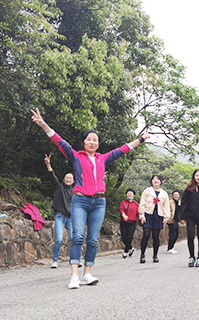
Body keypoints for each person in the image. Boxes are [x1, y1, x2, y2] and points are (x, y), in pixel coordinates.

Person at [31, 108, 149, 289]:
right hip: (79, 200)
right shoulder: (76, 156)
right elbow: (59, 141)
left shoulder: (103, 159)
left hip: (99, 202)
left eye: (95, 140)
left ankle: (87, 273)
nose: (92, 142)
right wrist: (43, 124)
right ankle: (74, 276)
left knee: (93, 239)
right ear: (83, 142)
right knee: (78, 237)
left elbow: (122, 149)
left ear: (98, 143)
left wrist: (140, 139)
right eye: (89, 139)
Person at [44, 154, 75, 269]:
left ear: (73, 181)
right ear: (63, 179)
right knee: (59, 239)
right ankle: (55, 260)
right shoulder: (59, 188)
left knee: (73, 239)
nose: (68, 179)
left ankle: (74, 259)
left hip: (71, 218)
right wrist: (48, 164)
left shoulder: (75, 192)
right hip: (60, 216)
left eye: (70, 178)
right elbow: (52, 176)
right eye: (66, 178)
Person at [138, 175, 171, 263]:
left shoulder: (164, 193)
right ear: (151, 181)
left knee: (156, 236)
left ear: (160, 181)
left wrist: (166, 217)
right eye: (153, 179)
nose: (155, 181)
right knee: (146, 234)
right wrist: (142, 214)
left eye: (157, 179)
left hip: (158, 215)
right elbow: (142, 203)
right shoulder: (147, 191)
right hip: (148, 214)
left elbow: (166, 206)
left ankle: (155, 255)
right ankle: (142, 255)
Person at [119, 188, 139, 259]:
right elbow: (121, 209)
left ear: (133, 195)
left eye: (131, 193)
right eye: (128, 193)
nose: (129, 194)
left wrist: (142, 217)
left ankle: (125, 252)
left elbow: (139, 213)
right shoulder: (123, 203)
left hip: (132, 223)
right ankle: (131, 248)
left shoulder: (136, 204)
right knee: (124, 238)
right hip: (124, 222)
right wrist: (123, 215)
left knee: (129, 237)